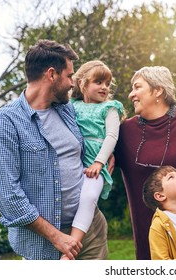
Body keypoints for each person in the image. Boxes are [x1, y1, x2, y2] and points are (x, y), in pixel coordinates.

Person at [0, 40, 108, 260]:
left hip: (89, 231)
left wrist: (104, 155)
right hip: (44, 243)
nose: (73, 84)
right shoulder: (4, 122)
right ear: (51, 74)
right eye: (69, 76)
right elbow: (8, 197)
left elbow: (93, 137)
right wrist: (58, 238)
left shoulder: (67, 109)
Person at [114, 66, 176, 260]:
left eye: (137, 87)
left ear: (158, 91)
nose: (131, 94)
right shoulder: (124, 132)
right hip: (148, 243)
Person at [58, 60, 124, 260]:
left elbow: (112, 136)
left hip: (97, 163)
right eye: (98, 82)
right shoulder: (72, 105)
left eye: (107, 83)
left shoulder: (110, 108)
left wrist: (99, 162)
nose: (104, 87)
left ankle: (72, 246)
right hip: (76, 160)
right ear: (82, 84)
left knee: (88, 198)